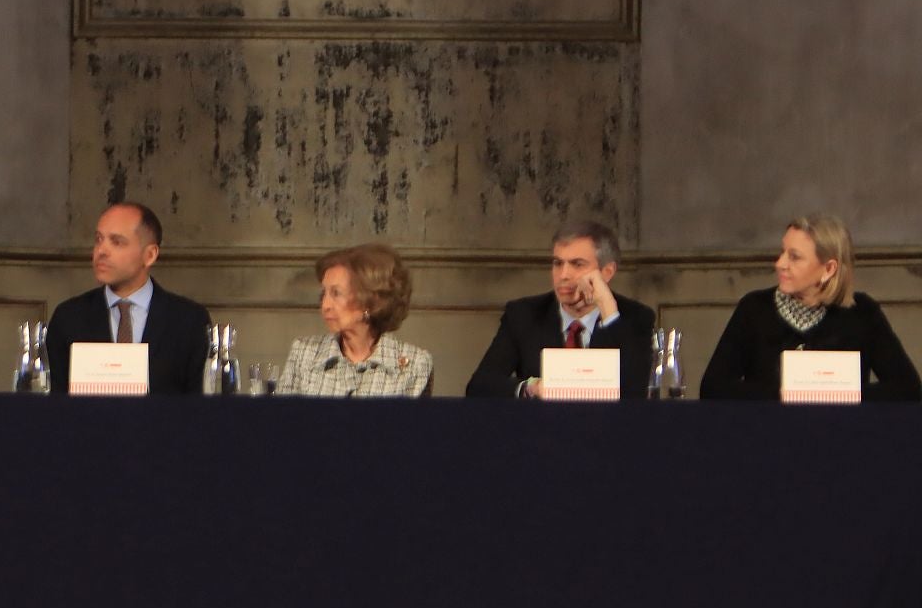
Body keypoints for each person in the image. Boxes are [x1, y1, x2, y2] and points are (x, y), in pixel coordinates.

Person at [700, 215, 921, 401]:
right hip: (768, 439)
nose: (780, 263)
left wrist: (838, 394)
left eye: (794, 257)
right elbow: (713, 387)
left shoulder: (862, 312)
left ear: (828, 269)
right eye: (782, 252)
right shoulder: (754, 308)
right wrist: (787, 394)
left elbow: (908, 388)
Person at [466, 222, 655, 399]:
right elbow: (480, 386)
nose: (563, 275)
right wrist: (532, 387)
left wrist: (608, 309)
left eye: (577, 264)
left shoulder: (636, 318)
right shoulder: (524, 315)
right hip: (541, 431)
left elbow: (634, 393)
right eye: (557, 263)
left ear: (607, 272)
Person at [45, 203, 210, 394]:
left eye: (117, 242)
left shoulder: (189, 320)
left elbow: (201, 408)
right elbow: (53, 404)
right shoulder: (69, 317)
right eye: (99, 240)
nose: (101, 251)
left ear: (149, 255)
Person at [276, 244, 431, 397]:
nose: (325, 305)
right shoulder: (304, 354)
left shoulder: (414, 364)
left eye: (336, 293)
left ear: (370, 301)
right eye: (324, 294)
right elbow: (282, 420)